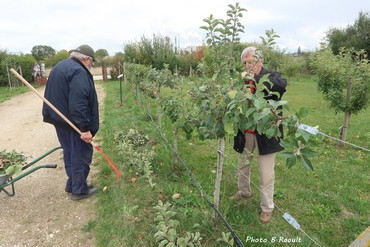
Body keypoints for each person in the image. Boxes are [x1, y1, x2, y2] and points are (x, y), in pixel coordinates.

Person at [230, 46, 287, 223]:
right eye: (245, 63)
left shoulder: (271, 76)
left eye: (251, 61)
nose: (248, 65)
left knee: (266, 173)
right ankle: (244, 191)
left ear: (260, 61)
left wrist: (254, 77)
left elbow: (281, 86)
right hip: (246, 131)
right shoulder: (242, 81)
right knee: (243, 165)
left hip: (266, 133)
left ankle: (267, 207)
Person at [42, 44, 99, 200]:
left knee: (70, 152)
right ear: (87, 59)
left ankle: (72, 184)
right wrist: (85, 129)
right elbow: (78, 103)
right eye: (92, 61)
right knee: (80, 154)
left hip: (60, 120)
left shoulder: (62, 66)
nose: (91, 65)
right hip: (73, 123)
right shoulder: (79, 72)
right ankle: (79, 190)